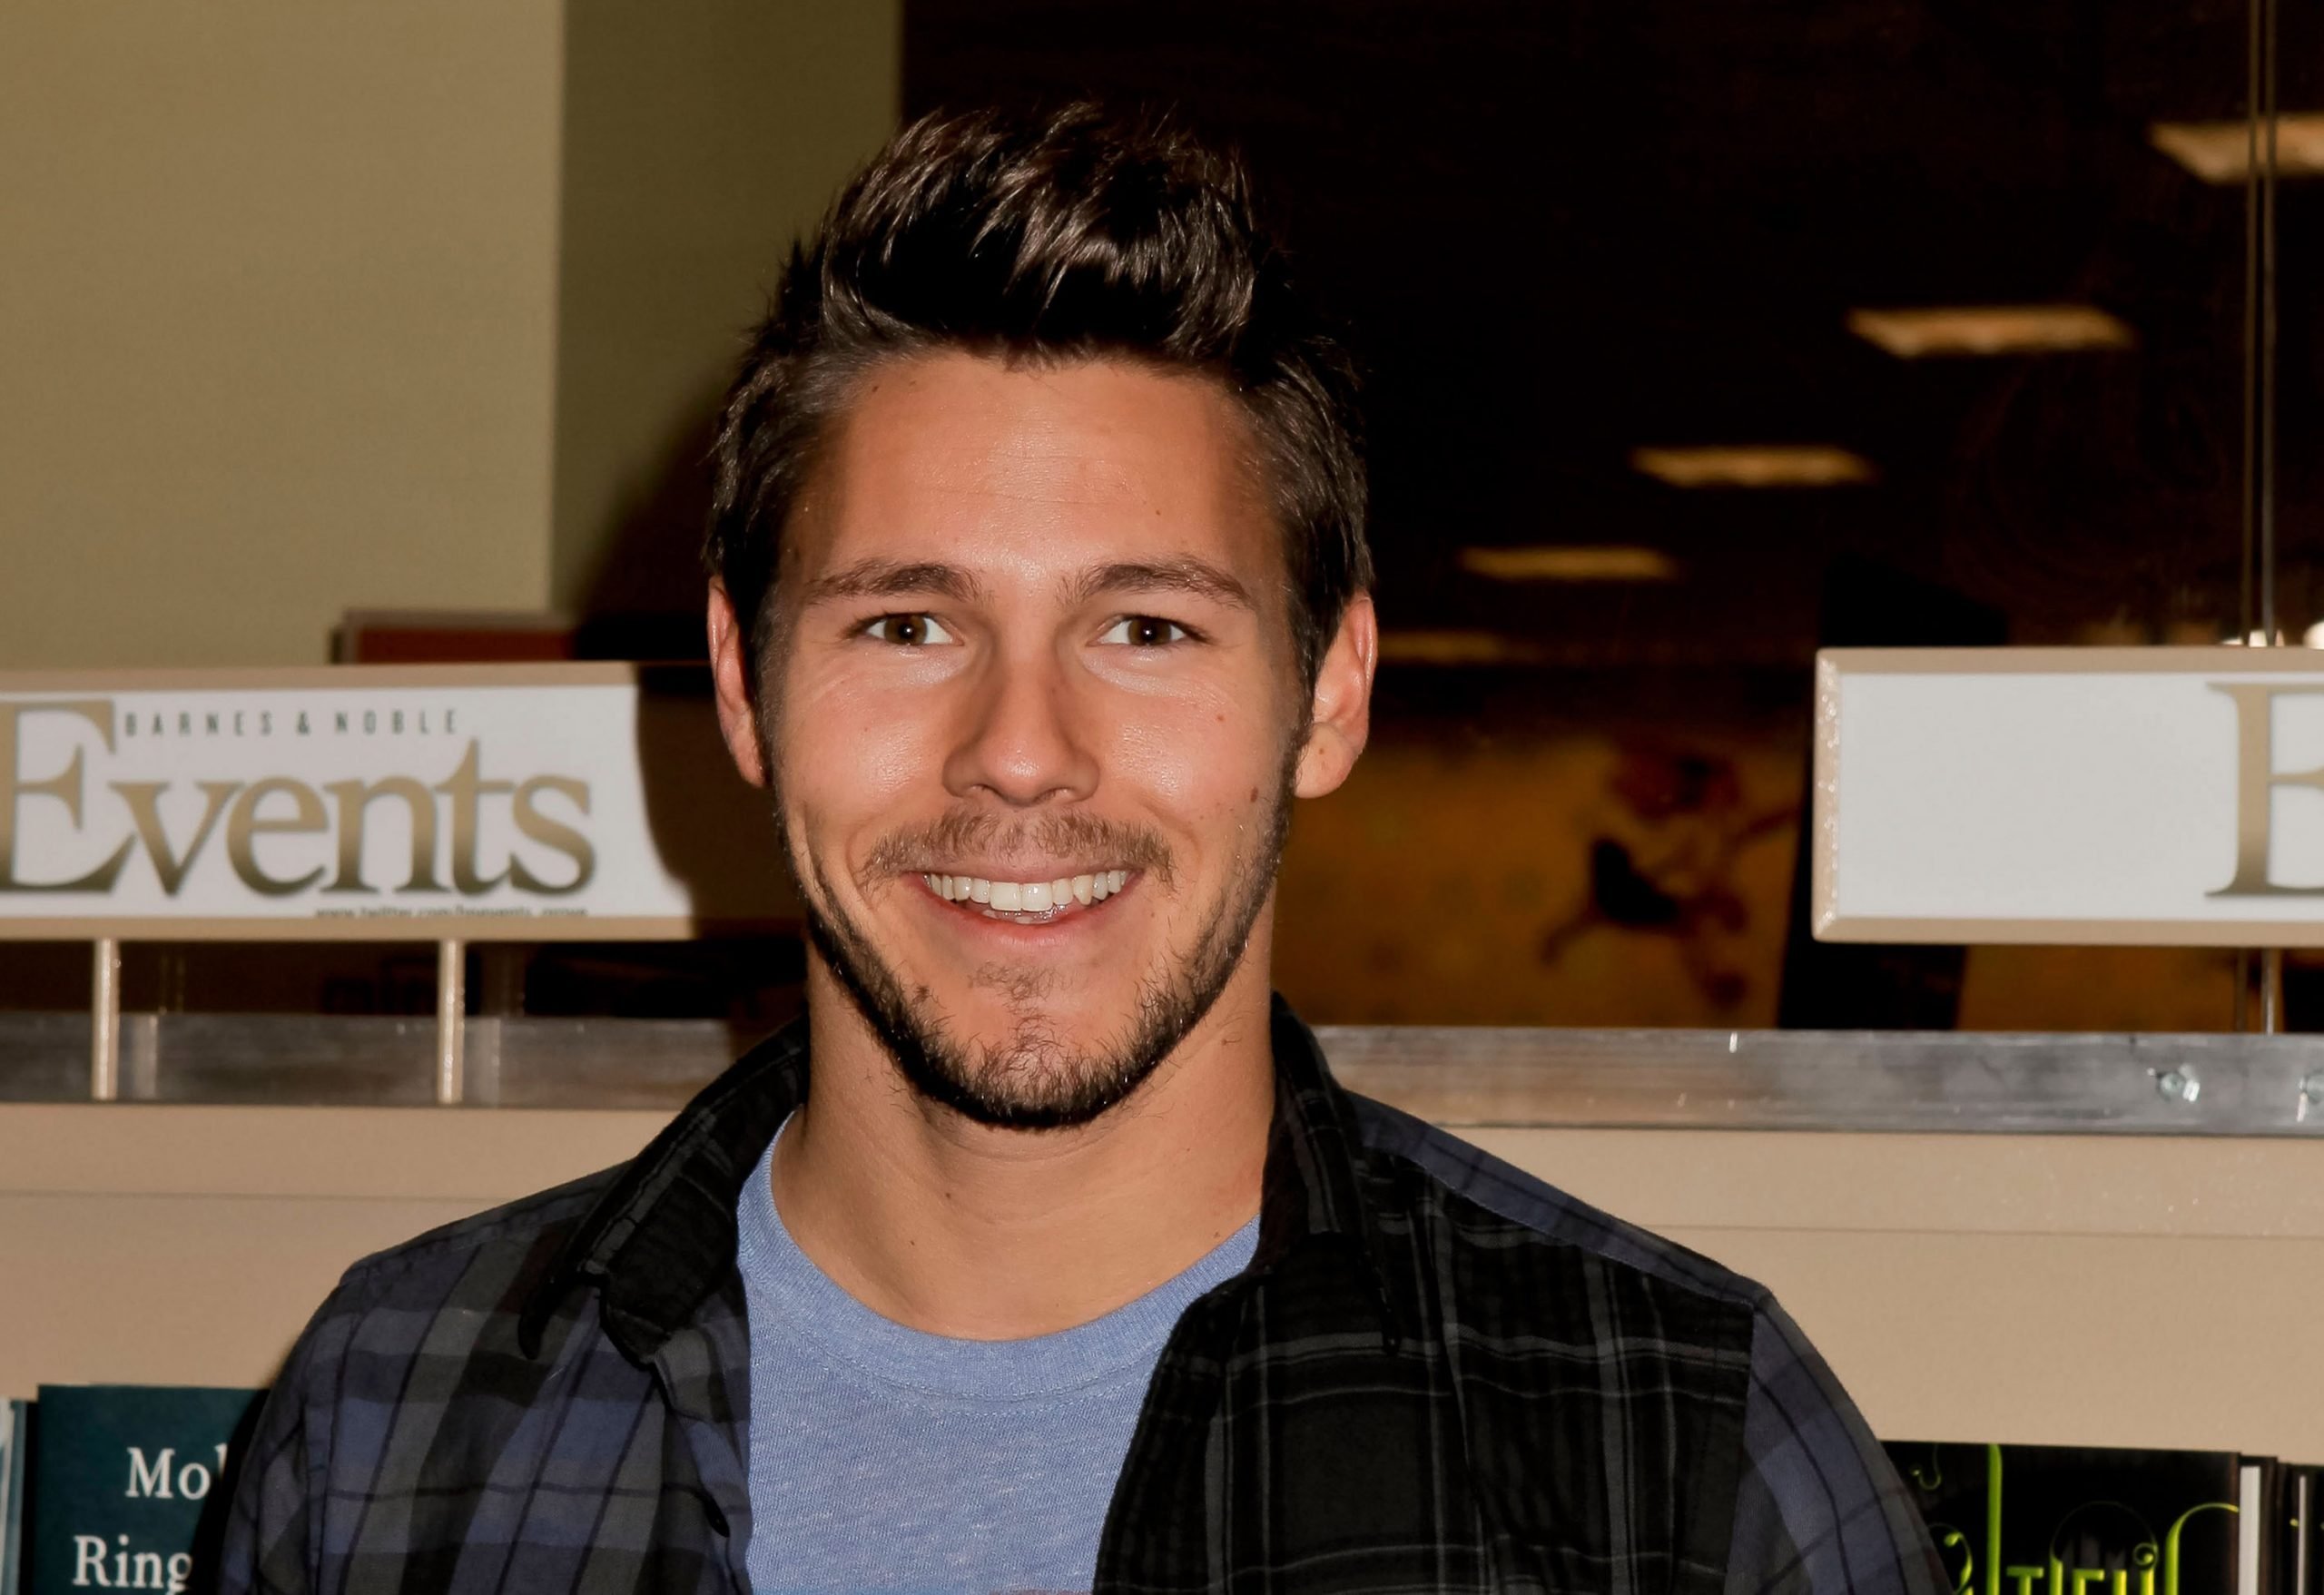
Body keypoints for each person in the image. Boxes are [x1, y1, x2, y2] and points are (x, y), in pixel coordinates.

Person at [220, 103, 1942, 1595]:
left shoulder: (1683, 1461)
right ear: (745, 686)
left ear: (1330, 689)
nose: (1021, 751)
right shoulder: (395, 1425)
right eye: (906, 624)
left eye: (1147, 628)